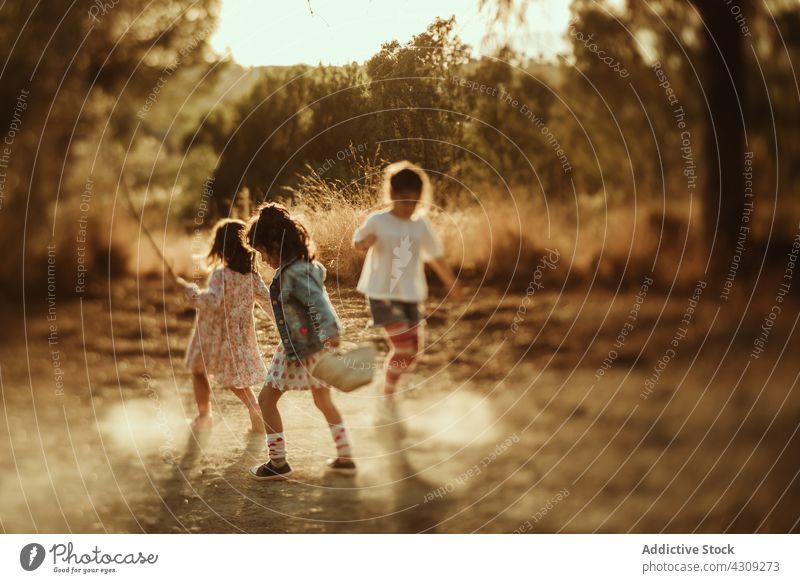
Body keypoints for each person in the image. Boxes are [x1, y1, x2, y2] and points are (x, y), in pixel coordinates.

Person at [245, 202, 355, 480]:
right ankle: (345, 456)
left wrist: (334, 337)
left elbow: (320, 305)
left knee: (266, 399)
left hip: (301, 347)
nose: (263, 259)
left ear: (274, 244)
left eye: (263, 252)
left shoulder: (295, 273)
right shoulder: (302, 268)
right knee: (323, 400)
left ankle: (278, 462)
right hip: (311, 347)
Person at [352, 161, 460, 400]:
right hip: (383, 294)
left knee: (414, 352)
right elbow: (358, 241)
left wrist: (451, 283)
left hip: (411, 295)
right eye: (404, 200)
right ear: (391, 195)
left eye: (415, 201)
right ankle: (387, 394)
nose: (409, 207)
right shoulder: (378, 221)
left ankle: (387, 384)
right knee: (403, 348)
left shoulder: (420, 224)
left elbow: (436, 257)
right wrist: (364, 243)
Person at [182, 219, 269, 434]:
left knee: (199, 370)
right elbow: (269, 302)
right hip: (240, 337)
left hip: (214, 336)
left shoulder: (221, 274)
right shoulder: (253, 277)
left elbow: (213, 301)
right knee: (233, 377)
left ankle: (204, 418)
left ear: (221, 246)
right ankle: (254, 409)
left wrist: (192, 293)